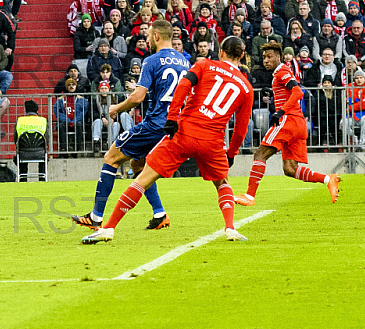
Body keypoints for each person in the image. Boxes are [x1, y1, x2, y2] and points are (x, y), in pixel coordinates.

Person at [81, 36, 254, 244]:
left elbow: (183, 85)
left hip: (184, 132)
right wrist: (232, 153)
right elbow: (241, 128)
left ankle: (108, 228)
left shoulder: (205, 65)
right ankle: (230, 228)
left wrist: (172, 117)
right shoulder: (247, 88)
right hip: (213, 140)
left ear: (221, 52)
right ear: (242, 55)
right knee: (222, 183)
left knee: (143, 178)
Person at [70, 20, 190, 233]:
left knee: (111, 158)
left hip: (154, 125)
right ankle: (159, 214)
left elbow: (137, 97)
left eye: (150, 34)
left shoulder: (152, 60)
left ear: (156, 36)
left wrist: (117, 108)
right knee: (138, 165)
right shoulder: (184, 61)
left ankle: (96, 217)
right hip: (174, 126)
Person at [235, 41, 340, 207]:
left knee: (260, 155)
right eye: (264, 57)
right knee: (290, 169)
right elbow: (288, 91)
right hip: (298, 123)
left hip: (288, 120)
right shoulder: (279, 74)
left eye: (269, 57)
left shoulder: (282, 71)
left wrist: (280, 111)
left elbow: (297, 91)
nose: (266, 60)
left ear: (279, 57)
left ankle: (249, 196)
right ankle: (328, 179)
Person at [14, 99, 47, 181]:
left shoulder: (20, 120)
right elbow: (47, 139)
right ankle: (42, 179)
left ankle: (23, 180)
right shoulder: (43, 120)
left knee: (20, 153)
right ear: (37, 110)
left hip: (23, 152)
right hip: (40, 153)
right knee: (44, 156)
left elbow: (16, 138)